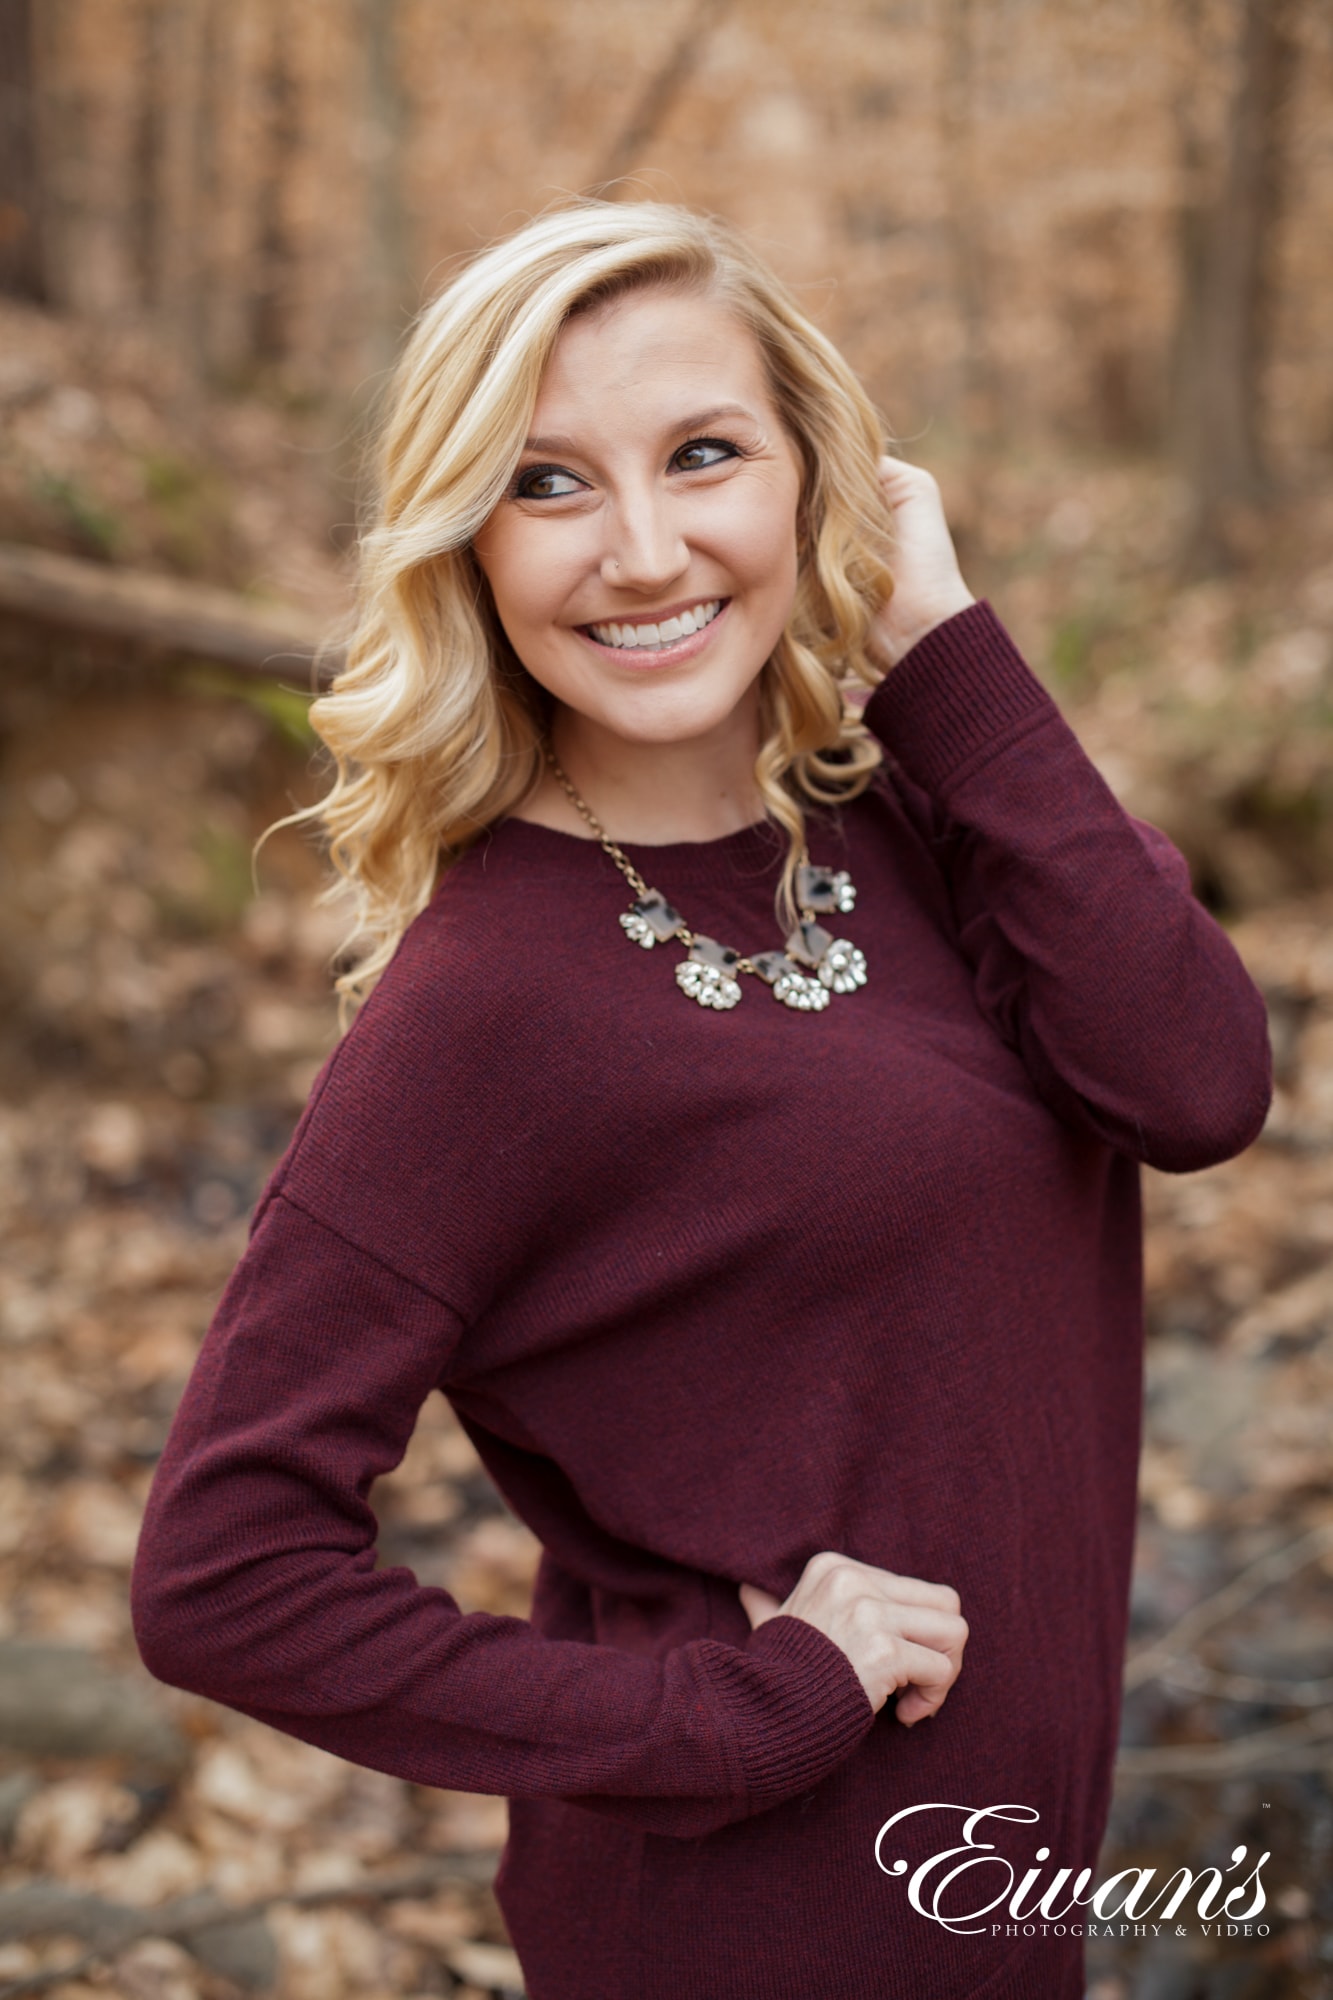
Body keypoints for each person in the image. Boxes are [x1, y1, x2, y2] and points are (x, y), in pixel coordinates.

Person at [131, 200, 1272, 2000]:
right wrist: (720, 1709)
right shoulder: (482, 1005)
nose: (646, 552)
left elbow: (1198, 1084)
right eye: (549, 483)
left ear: (819, 480)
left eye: (705, 455)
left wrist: (946, 648)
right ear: (468, 545)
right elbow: (223, 1571)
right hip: (746, 1931)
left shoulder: (931, 816)